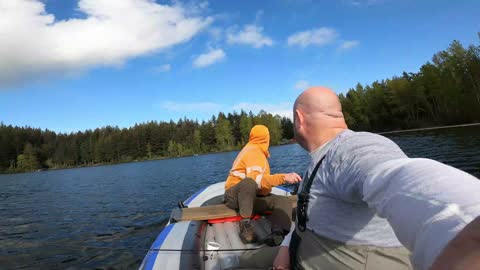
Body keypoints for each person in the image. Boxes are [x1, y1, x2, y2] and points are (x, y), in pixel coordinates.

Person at [271, 86, 480, 270]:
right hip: (295, 255)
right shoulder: (319, 158)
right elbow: (305, 216)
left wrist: (465, 224)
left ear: (298, 119)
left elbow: (395, 174)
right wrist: (285, 247)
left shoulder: (350, 148)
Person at [224, 125, 301, 244]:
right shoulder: (253, 152)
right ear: (266, 138)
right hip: (234, 196)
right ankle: (245, 225)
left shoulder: (259, 152)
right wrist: (284, 177)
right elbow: (256, 181)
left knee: (284, 201)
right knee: (249, 182)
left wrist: (267, 193)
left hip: (251, 197)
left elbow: (260, 186)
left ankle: (277, 233)